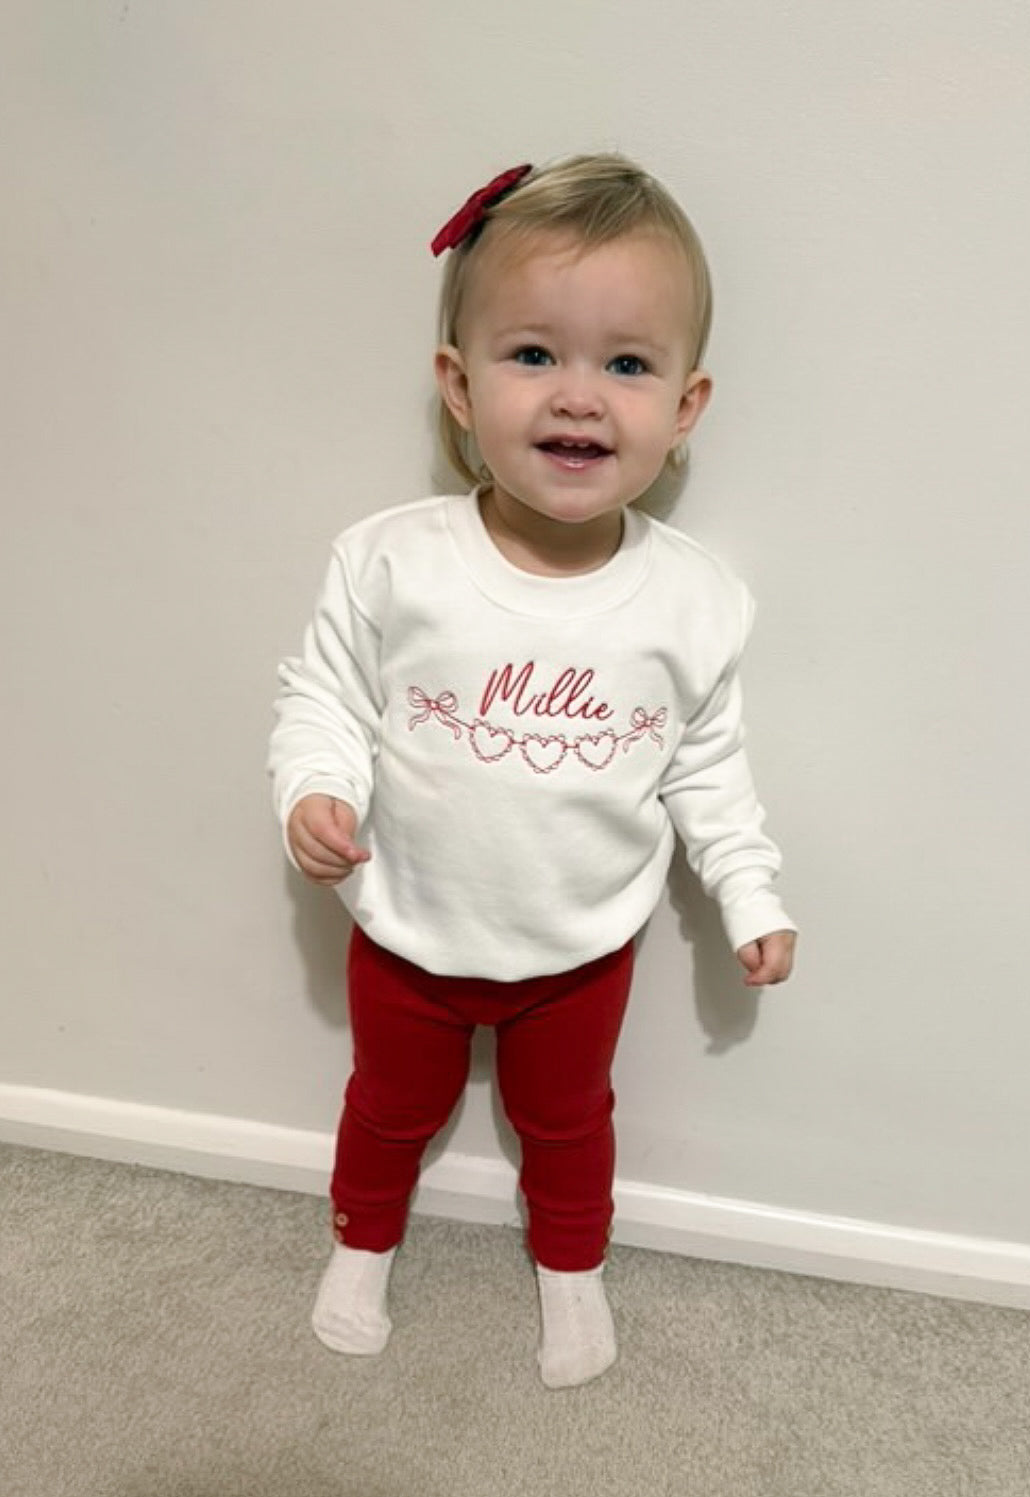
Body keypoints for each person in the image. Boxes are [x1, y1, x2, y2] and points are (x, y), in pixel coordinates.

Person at [268, 153, 797, 1389]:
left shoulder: (693, 601)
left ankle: (571, 1268)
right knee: (387, 1108)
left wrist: (750, 892)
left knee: (568, 1122)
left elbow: (707, 768)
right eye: (532, 355)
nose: (579, 397)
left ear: (685, 405)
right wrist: (311, 790)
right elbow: (322, 696)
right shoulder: (391, 561)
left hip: (579, 948)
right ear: (457, 385)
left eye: (625, 363)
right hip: (406, 930)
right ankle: (362, 1237)